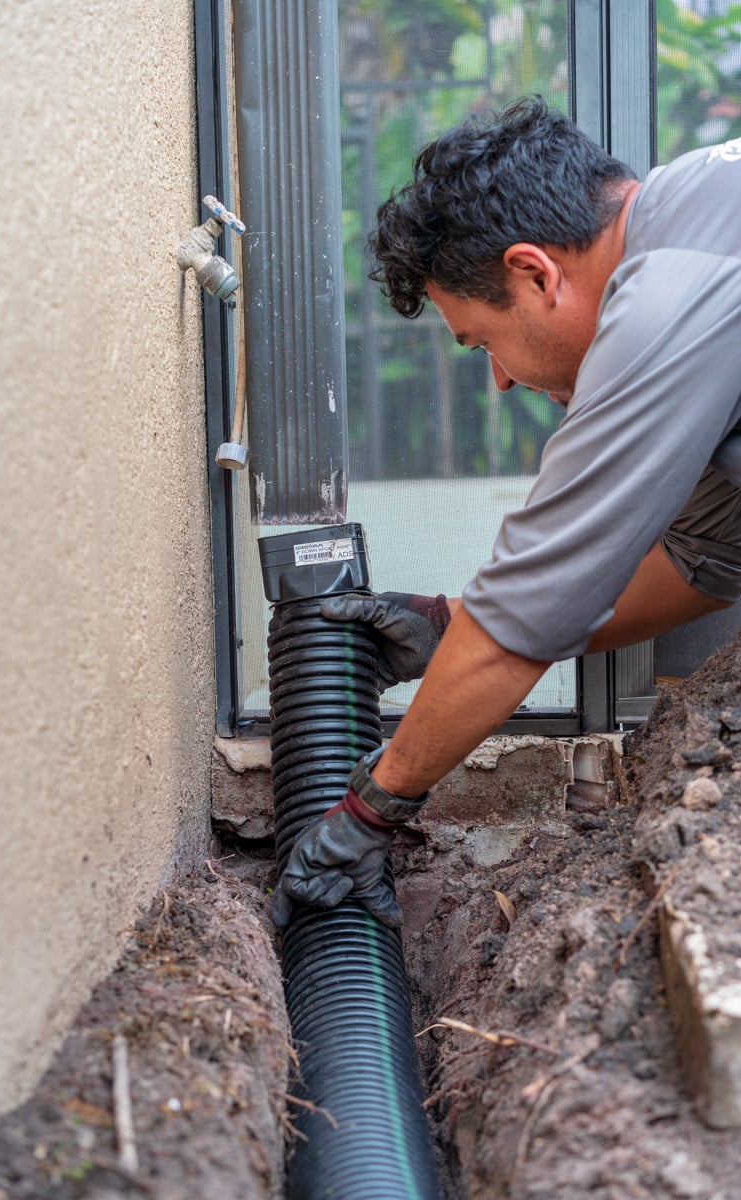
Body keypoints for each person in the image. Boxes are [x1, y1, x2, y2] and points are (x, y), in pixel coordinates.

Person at [271, 96, 741, 930]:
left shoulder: (669, 296)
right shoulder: (699, 230)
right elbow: (709, 559)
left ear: (534, 273)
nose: (497, 379)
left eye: (481, 342)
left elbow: (534, 605)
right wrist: (452, 627)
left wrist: (371, 812)